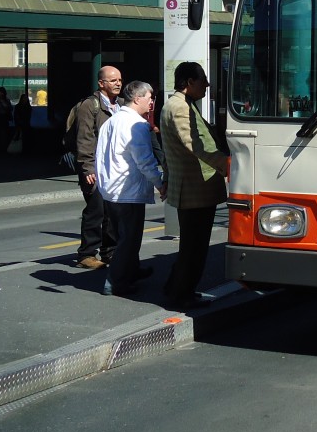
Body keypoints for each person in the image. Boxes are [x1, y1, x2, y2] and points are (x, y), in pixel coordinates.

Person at [159, 61, 228, 310]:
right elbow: (194, 144)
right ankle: (181, 294)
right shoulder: (179, 107)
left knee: (192, 246)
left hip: (191, 188)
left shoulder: (181, 103)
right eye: (203, 80)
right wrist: (227, 164)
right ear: (189, 82)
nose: (207, 85)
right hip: (194, 190)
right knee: (194, 247)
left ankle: (177, 288)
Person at [94, 80, 164, 297]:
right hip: (128, 190)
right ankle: (115, 282)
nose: (152, 102)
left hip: (111, 189)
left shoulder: (111, 121)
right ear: (137, 98)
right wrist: (160, 183)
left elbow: (101, 156)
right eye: (150, 98)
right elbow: (145, 161)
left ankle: (131, 271)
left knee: (123, 237)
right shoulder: (137, 125)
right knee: (129, 240)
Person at [73, 67, 122, 269]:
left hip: (113, 168)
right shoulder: (90, 105)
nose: (118, 83)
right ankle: (86, 254)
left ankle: (110, 252)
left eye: (120, 80)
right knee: (96, 210)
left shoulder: (120, 105)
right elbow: (84, 138)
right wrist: (87, 168)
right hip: (94, 167)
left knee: (111, 211)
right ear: (101, 83)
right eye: (113, 80)